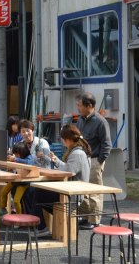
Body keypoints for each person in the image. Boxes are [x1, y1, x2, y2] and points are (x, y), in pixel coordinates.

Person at [35, 124, 91, 237]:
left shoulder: (77, 154)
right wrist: (56, 161)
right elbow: (68, 168)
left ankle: (41, 228)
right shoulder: (78, 151)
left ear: (67, 140)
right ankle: (43, 226)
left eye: (62, 139)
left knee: (35, 194)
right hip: (70, 189)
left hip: (72, 194)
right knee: (38, 192)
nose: (62, 142)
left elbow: (66, 172)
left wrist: (56, 165)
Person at [76, 92, 112, 230]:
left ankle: (94, 220)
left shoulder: (101, 122)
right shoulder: (80, 119)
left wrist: (101, 161)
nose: (78, 108)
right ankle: (85, 217)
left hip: (95, 160)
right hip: (82, 160)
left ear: (89, 106)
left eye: (80, 105)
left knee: (94, 191)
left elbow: (106, 144)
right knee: (83, 191)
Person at [0, 141, 34, 217]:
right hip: (16, 179)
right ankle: (3, 208)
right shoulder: (16, 157)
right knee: (4, 191)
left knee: (16, 200)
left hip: (24, 182)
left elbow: (29, 163)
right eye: (15, 153)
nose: (16, 155)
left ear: (23, 151)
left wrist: (16, 159)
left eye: (17, 153)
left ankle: (19, 217)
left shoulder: (28, 157)